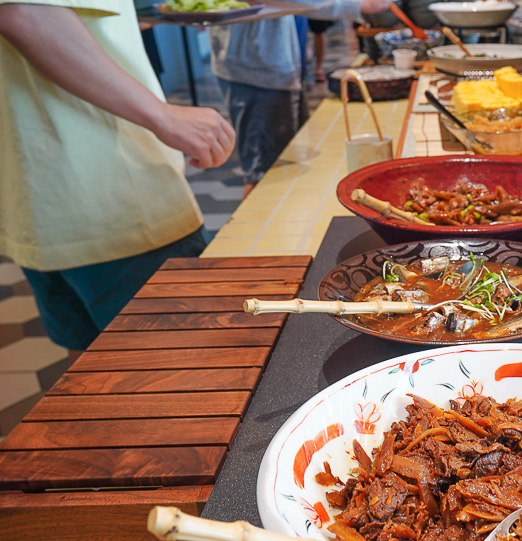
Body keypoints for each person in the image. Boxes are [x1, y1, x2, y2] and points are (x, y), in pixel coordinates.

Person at [0, 0, 235, 351]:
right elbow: (25, 12)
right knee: (178, 365)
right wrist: (162, 115)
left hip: (35, 204)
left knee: (97, 377)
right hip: (110, 195)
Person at [210, 0, 392, 196]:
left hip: (270, 64)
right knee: (266, 178)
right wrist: (356, 4)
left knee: (286, 167)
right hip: (255, 70)